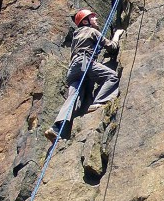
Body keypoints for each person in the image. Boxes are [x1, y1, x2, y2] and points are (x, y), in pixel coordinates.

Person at [44, 9, 124, 142]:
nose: (96, 19)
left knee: (74, 97)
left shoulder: (77, 35)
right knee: (112, 77)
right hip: (84, 62)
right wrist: (117, 35)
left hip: (73, 68)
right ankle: (98, 102)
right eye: (93, 17)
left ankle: (57, 128)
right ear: (86, 21)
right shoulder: (91, 31)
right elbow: (112, 47)